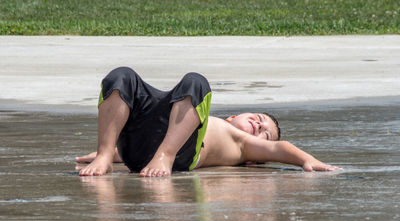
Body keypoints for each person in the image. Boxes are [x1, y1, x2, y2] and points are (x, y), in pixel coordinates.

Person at [76, 67, 340, 177]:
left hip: (177, 154)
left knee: (196, 81)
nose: (259, 127)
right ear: (233, 116)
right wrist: (110, 153)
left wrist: (309, 160)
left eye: (265, 133)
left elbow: (280, 149)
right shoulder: (203, 117)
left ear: (253, 160)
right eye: (259, 120)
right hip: (140, 146)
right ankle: (103, 156)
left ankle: (164, 155)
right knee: (122, 76)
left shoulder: (242, 146)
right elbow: (146, 134)